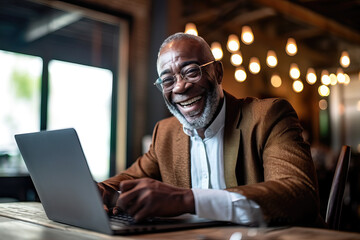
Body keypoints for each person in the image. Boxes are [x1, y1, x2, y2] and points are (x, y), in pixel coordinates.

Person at [97, 32, 324, 227]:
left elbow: (299, 195)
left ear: (217, 72)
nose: (180, 86)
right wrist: (99, 193)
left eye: (192, 71)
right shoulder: (165, 133)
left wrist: (187, 200)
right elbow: (127, 179)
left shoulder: (268, 116)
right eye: (167, 80)